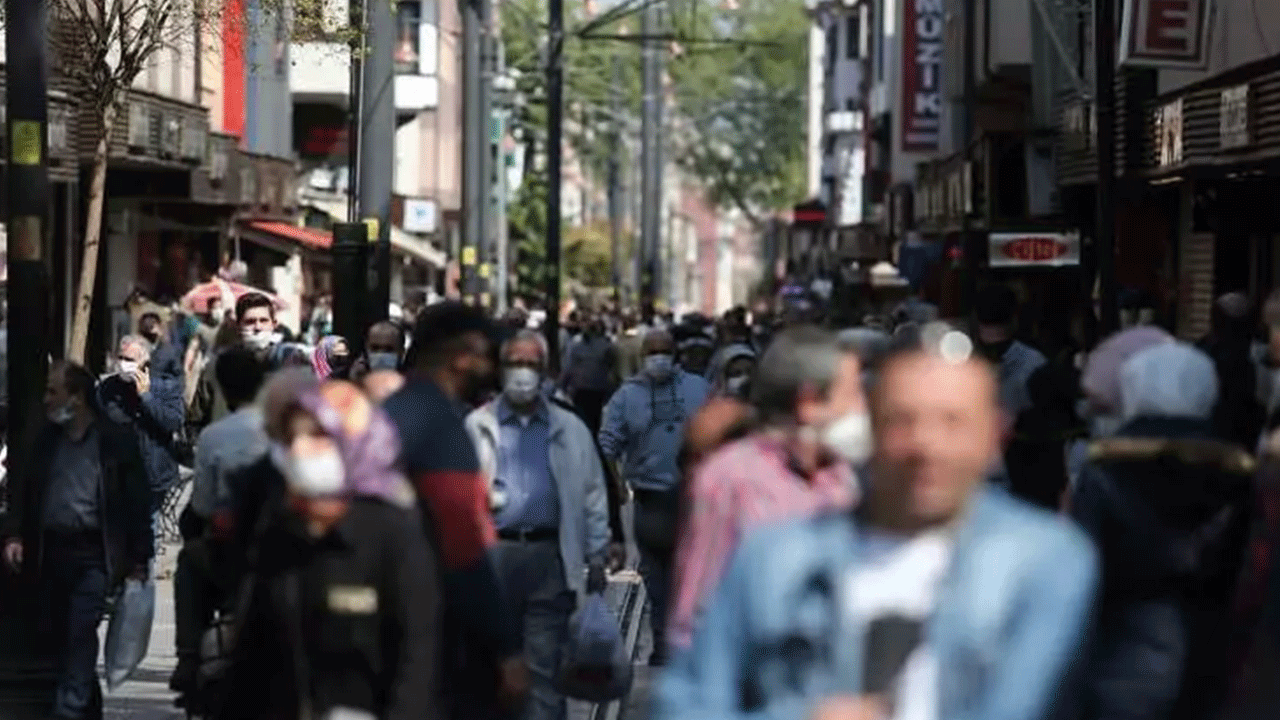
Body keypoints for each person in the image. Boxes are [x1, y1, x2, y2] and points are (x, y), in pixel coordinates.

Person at [657, 331, 1099, 720]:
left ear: (994, 436)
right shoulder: (776, 557)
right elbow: (689, 700)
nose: (926, 445)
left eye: (953, 422)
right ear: (874, 428)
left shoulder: (1045, 564)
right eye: (903, 421)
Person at [216, 378, 437, 720]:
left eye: (319, 435)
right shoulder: (282, 528)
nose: (301, 449)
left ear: (352, 440)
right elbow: (252, 656)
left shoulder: (393, 532)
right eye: (293, 437)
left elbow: (419, 657)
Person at [1071, 342, 1254, 720]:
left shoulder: (1105, 466)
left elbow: (1083, 569)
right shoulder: (1239, 469)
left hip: (1121, 646)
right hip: (1218, 643)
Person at [669, 327, 865, 651]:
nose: (862, 409)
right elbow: (695, 611)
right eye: (853, 394)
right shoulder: (733, 477)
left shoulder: (843, 477)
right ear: (808, 402)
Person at [382, 302, 528, 720]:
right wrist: (504, 647)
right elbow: (464, 544)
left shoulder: (393, 412)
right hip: (436, 628)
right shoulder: (441, 428)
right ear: (464, 353)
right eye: (487, 354)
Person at [466, 329, 611, 720]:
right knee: (492, 667)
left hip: (549, 558)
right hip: (493, 557)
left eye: (531, 365)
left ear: (546, 371)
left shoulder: (570, 428)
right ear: (500, 369)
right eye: (515, 363)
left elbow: (593, 492)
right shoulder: (477, 426)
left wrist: (597, 553)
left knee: (544, 670)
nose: (522, 373)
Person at [2, 361, 153, 720]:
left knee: (80, 635)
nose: (46, 399)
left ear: (78, 397)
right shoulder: (45, 441)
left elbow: (136, 501)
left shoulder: (114, 440)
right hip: (51, 552)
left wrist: (138, 560)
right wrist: (15, 536)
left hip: (94, 556)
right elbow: (25, 492)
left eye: (54, 391)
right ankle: (85, 706)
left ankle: (68, 711)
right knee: (58, 638)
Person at [599, 328, 710, 666]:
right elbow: (607, 443)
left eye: (665, 351)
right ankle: (664, 643)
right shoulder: (626, 396)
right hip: (649, 499)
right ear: (643, 357)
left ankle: (689, 641)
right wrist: (616, 483)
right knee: (656, 576)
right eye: (653, 352)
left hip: (693, 500)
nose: (659, 358)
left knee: (693, 572)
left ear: (675, 354)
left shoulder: (697, 388)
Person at [169, 346, 268, 700]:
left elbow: (203, 505)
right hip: (277, 549)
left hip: (233, 553)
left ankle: (188, 657)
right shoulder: (283, 431)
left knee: (189, 561)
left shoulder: (216, 436)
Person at [97, 335, 185, 508]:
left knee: (147, 529)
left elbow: (174, 422)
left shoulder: (165, 387)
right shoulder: (108, 387)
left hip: (151, 475)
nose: (123, 363)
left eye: (129, 359)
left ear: (145, 361)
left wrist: (146, 397)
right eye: (120, 358)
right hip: (117, 475)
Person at [189, 292, 280, 433]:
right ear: (238, 325)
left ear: (274, 324)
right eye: (250, 322)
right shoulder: (216, 365)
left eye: (263, 321)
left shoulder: (286, 364)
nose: (257, 327)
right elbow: (195, 419)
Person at [559, 316, 616, 437]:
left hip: (581, 387)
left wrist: (563, 385)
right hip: (598, 388)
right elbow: (611, 368)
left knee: (582, 419)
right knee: (595, 419)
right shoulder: (607, 345)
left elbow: (569, 367)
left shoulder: (577, 345)